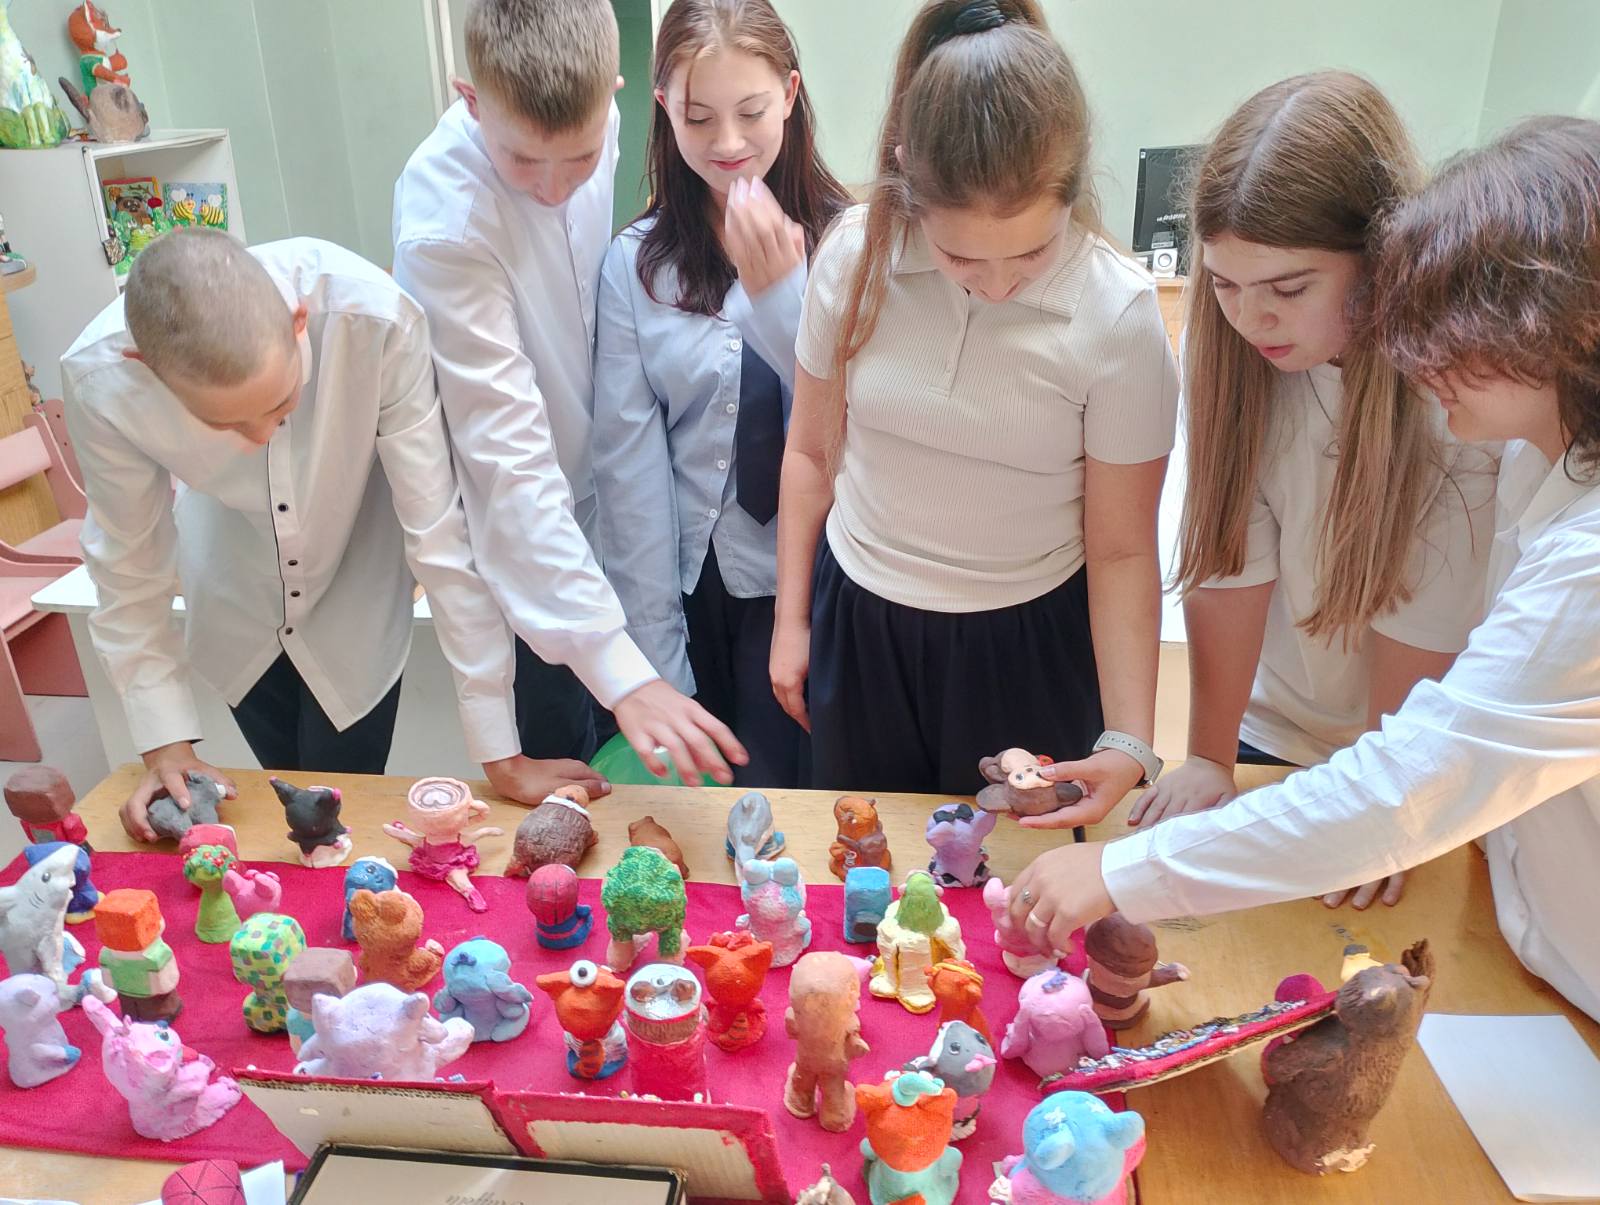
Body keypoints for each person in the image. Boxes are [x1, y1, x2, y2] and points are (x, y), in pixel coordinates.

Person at [1008, 116, 1600, 1025]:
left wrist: (1121, 869)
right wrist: (1209, 759)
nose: (1418, 356)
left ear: (1556, 330)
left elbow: (1418, 774)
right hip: (1540, 933)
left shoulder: (1578, 556)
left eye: (1451, 332)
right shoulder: (1537, 458)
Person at [60, 230, 602, 841]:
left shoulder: (375, 320)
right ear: (146, 369)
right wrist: (166, 746)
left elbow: (441, 539)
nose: (258, 438)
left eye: (281, 404)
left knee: (339, 807)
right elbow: (128, 566)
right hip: (234, 600)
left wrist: (501, 754)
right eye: (224, 425)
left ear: (299, 322)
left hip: (357, 583)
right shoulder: (101, 379)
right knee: (293, 818)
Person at [772, 0, 1178, 804]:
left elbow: (1124, 550)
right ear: (907, 183)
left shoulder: (1118, 315)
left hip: (1026, 640)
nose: (996, 286)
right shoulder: (853, 257)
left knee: (1013, 874)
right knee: (865, 856)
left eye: (1032, 252)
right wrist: (792, 621)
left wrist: (1130, 736)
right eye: (960, 256)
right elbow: (811, 453)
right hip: (863, 620)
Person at [1128, 72, 1498, 909]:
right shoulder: (1234, 360)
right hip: (1273, 729)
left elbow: (1421, 625)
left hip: (1403, 752)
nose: (1250, 318)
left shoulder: (1453, 398)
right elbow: (1229, 561)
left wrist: (1381, 806)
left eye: (1289, 289)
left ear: (1380, 259)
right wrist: (1208, 756)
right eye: (1224, 284)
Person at [393, 0, 745, 786]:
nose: (553, 189)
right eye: (522, 161)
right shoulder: (445, 225)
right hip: (514, 540)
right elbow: (506, 457)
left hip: (603, 500)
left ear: (614, 95)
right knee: (567, 771)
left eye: (581, 159)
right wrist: (617, 664)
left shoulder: (602, 119)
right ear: (470, 100)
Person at [592, 0, 850, 788]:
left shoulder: (853, 244)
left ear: (791, 94)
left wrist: (785, 296)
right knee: (698, 810)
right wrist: (655, 663)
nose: (728, 143)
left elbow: (855, 429)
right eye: (699, 118)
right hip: (694, 587)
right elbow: (630, 476)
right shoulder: (637, 266)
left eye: (752, 112)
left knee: (802, 805)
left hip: (821, 582)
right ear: (664, 108)